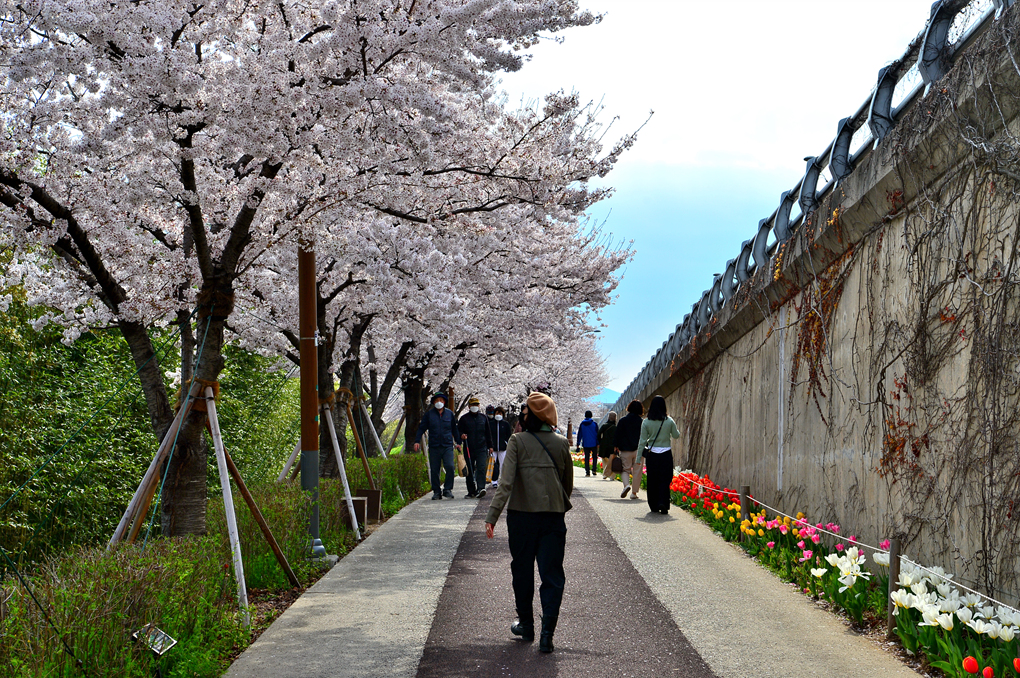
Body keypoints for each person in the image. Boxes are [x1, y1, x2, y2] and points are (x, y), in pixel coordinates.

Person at [485, 391, 572, 654]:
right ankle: (547, 634)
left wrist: (492, 516)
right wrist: (555, 503)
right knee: (552, 574)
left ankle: (526, 625)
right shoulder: (561, 443)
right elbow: (567, 484)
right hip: (553, 516)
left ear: (530, 417)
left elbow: (505, 483)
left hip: (521, 516)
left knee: (522, 570)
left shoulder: (517, 441)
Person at [637, 395, 681, 514]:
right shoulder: (669, 421)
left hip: (652, 454)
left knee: (652, 479)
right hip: (666, 454)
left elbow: (642, 441)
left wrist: (638, 458)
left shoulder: (646, 422)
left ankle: (653, 505)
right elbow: (676, 435)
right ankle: (663, 502)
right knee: (665, 479)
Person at [414, 392, 462, 500]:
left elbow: (454, 429)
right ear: (434, 402)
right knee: (435, 469)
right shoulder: (429, 414)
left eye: (441, 400)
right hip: (434, 445)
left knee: (450, 466)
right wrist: (417, 441)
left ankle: (447, 489)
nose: (438, 402)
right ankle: (436, 491)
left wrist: (458, 442)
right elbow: (421, 428)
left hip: (447, 445)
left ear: (444, 402)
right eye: (436, 401)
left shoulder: (449, 414)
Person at [459, 397, 492, 499]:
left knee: (481, 467)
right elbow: (459, 431)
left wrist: (490, 446)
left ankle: (481, 488)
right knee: (469, 469)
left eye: (476, 405)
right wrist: (461, 436)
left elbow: (488, 433)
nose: (475, 407)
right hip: (469, 447)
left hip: (482, 447)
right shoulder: (464, 419)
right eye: (473, 405)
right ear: (469, 406)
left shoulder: (483, 418)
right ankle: (471, 491)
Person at [615, 400, 644, 500]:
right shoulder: (641, 422)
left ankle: (626, 485)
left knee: (625, 470)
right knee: (637, 472)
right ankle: (634, 493)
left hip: (625, 450)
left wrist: (616, 446)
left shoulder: (623, 420)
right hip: (638, 450)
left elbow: (617, 435)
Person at [487, 405, 512, 488]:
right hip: (492, 448)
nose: (498, 415)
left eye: (500, 413)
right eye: (497, 413)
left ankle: (503, 480)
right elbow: (488, 435)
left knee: (503, 464)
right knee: (493, 465)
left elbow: (509, 435)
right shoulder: (490, 424)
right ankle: (494, 481)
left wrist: (506, 443)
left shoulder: (505, 424)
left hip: (503, 448)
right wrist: (489, 446)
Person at [574, 410, 599, 477]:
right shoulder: (594, 424)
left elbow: (580, 434)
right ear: (591, 416)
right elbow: (597, 434)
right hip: (594, 443)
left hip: (586, 443)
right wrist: (598, 443)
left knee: (587, 457)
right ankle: (594, 470)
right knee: (594, 457)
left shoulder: (582, 424)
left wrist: (578, 443)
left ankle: (587, 472)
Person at [598, 411, 618, 479]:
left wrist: (600, 442)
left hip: (604, 445)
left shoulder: (604, 426)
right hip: (612, 446)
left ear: (608, 417)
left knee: (605, 460)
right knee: (613, 461)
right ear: (615, 418)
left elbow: (598, 434)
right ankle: (612, 476)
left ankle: (605, 474)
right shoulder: (616, 427)